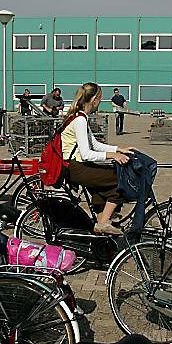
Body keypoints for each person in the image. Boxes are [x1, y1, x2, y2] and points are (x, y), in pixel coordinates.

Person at [61, 82, 135, 235]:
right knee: (119, 180)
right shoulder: (80, 120)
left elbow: (94, 144)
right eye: (100, 98)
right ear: (94, 99)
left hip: (78, 165)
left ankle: (100, 230)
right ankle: (102, 224)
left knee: (103, 184)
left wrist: (118, 149)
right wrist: (112, 155)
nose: (101, 101)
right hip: (76, 167)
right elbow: (87, 153)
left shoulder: (81, 117)